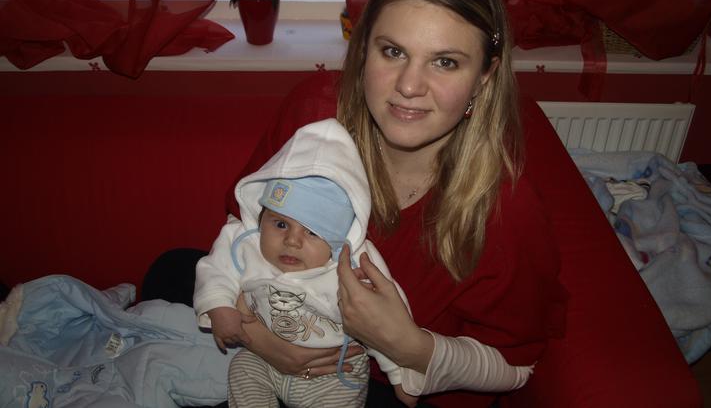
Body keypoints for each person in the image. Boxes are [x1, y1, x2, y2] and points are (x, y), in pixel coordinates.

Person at [224, 0, 568, 407]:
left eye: (445, 62)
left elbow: (517, 363)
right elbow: (242, 228)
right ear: (363, 48)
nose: (409, 86)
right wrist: (258, 338)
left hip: (394, 388)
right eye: (393, 51)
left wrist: (406, 344)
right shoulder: (312, 119)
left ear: (484, 76)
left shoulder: (504, 211)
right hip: (269, 337)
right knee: (171, 270)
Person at [194, 117, 532, 408]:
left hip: (333, 375)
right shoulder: (247, 244)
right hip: (262, 360)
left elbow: (386, 328)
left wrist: (401, 376)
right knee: (242, 369)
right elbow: (215, 270)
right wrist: (221, 308)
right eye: (280, 224)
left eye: (313, 232)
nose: (292, 241)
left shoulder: (348, 272)